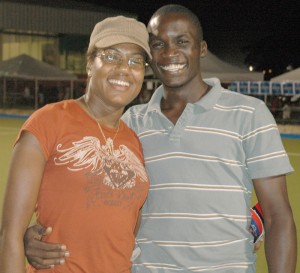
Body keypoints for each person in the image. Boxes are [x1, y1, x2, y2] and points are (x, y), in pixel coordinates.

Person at [23, 4, 297, 273]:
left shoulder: (250, 114)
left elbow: (277, 217)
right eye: (157, 44)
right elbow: (94, 204)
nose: (170, 53)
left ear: (201, 49)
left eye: (182, 41)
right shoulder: (130, 124)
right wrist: (33, 237)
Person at [0, 15, 151, 273]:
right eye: (111, 56)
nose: (124, 69)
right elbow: (9, 237)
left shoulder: (133, 141)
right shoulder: (48, 122)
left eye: (135, 61)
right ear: (91, 63)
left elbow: (123, 230)